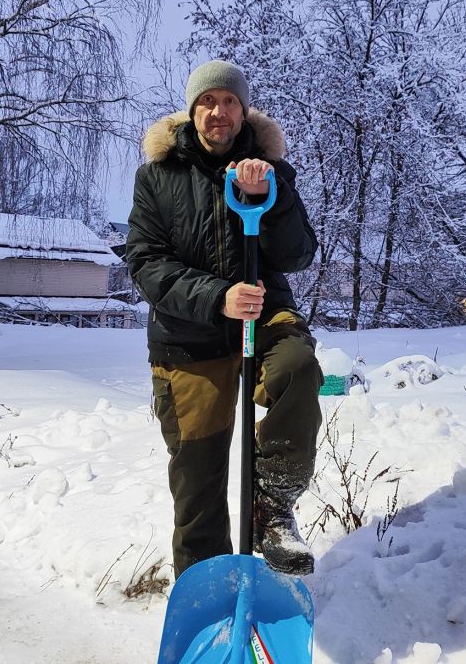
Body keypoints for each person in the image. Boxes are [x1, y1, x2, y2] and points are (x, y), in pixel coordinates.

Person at [125, 59, 323, 578]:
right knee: (199, 488)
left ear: (243, 111)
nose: (219, 110)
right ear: (192, 112)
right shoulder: (158, 178)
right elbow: (146, 263)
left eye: (229, 101)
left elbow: (299, 255)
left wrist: (267, 199)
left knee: (298, 369)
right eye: (208, 101)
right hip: (186, 340)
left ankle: (272, 507)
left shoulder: (270, 171)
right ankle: (207, 600)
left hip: (265, 314)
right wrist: (217, 296)